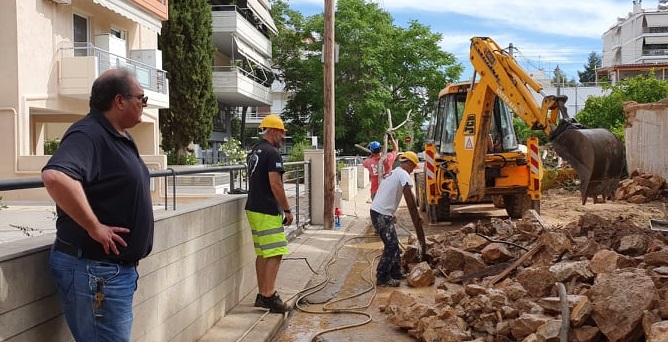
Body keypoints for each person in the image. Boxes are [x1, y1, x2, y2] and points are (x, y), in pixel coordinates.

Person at [41, 68, 152, 341]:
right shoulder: (88, 134)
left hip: (108, 271)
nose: (144, 104)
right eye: (141, 98)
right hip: (95, 272)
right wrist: (94, 227)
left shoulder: (118, 135)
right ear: (119, 101)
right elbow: (55, 177)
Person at [245, 114, 294, 313]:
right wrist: (288, 210)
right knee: (276, 252)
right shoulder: (272, 153)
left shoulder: (254, 151)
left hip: (253, 208)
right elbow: (276, 184)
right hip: (266, 209)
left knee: (262, 253)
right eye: (281, 133)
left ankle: (262, 293)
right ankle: (269, 295)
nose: (282, 137)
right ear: (273, 131)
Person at [369, 151, 420, 287]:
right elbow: (409, 197)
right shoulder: (403, 174)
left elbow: (386, 194)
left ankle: (396, 272)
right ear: (408, 164)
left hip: (380, 212)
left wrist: (390, 213)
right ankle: (382, 277)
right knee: (391, 246)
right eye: (413, 167)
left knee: (394, 244)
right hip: (381, 214)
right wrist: (417, 215)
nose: (412, 170)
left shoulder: (394, 172)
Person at [362, 132, 399, 200]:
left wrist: (371, 156)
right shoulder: (388, 158)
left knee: (376, 210)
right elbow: (395, 150)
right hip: (388, 190)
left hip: (375, 192)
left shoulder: (368, 161)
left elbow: (363, 163)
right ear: (381, 149)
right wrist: (391, 139)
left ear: (372, 151)